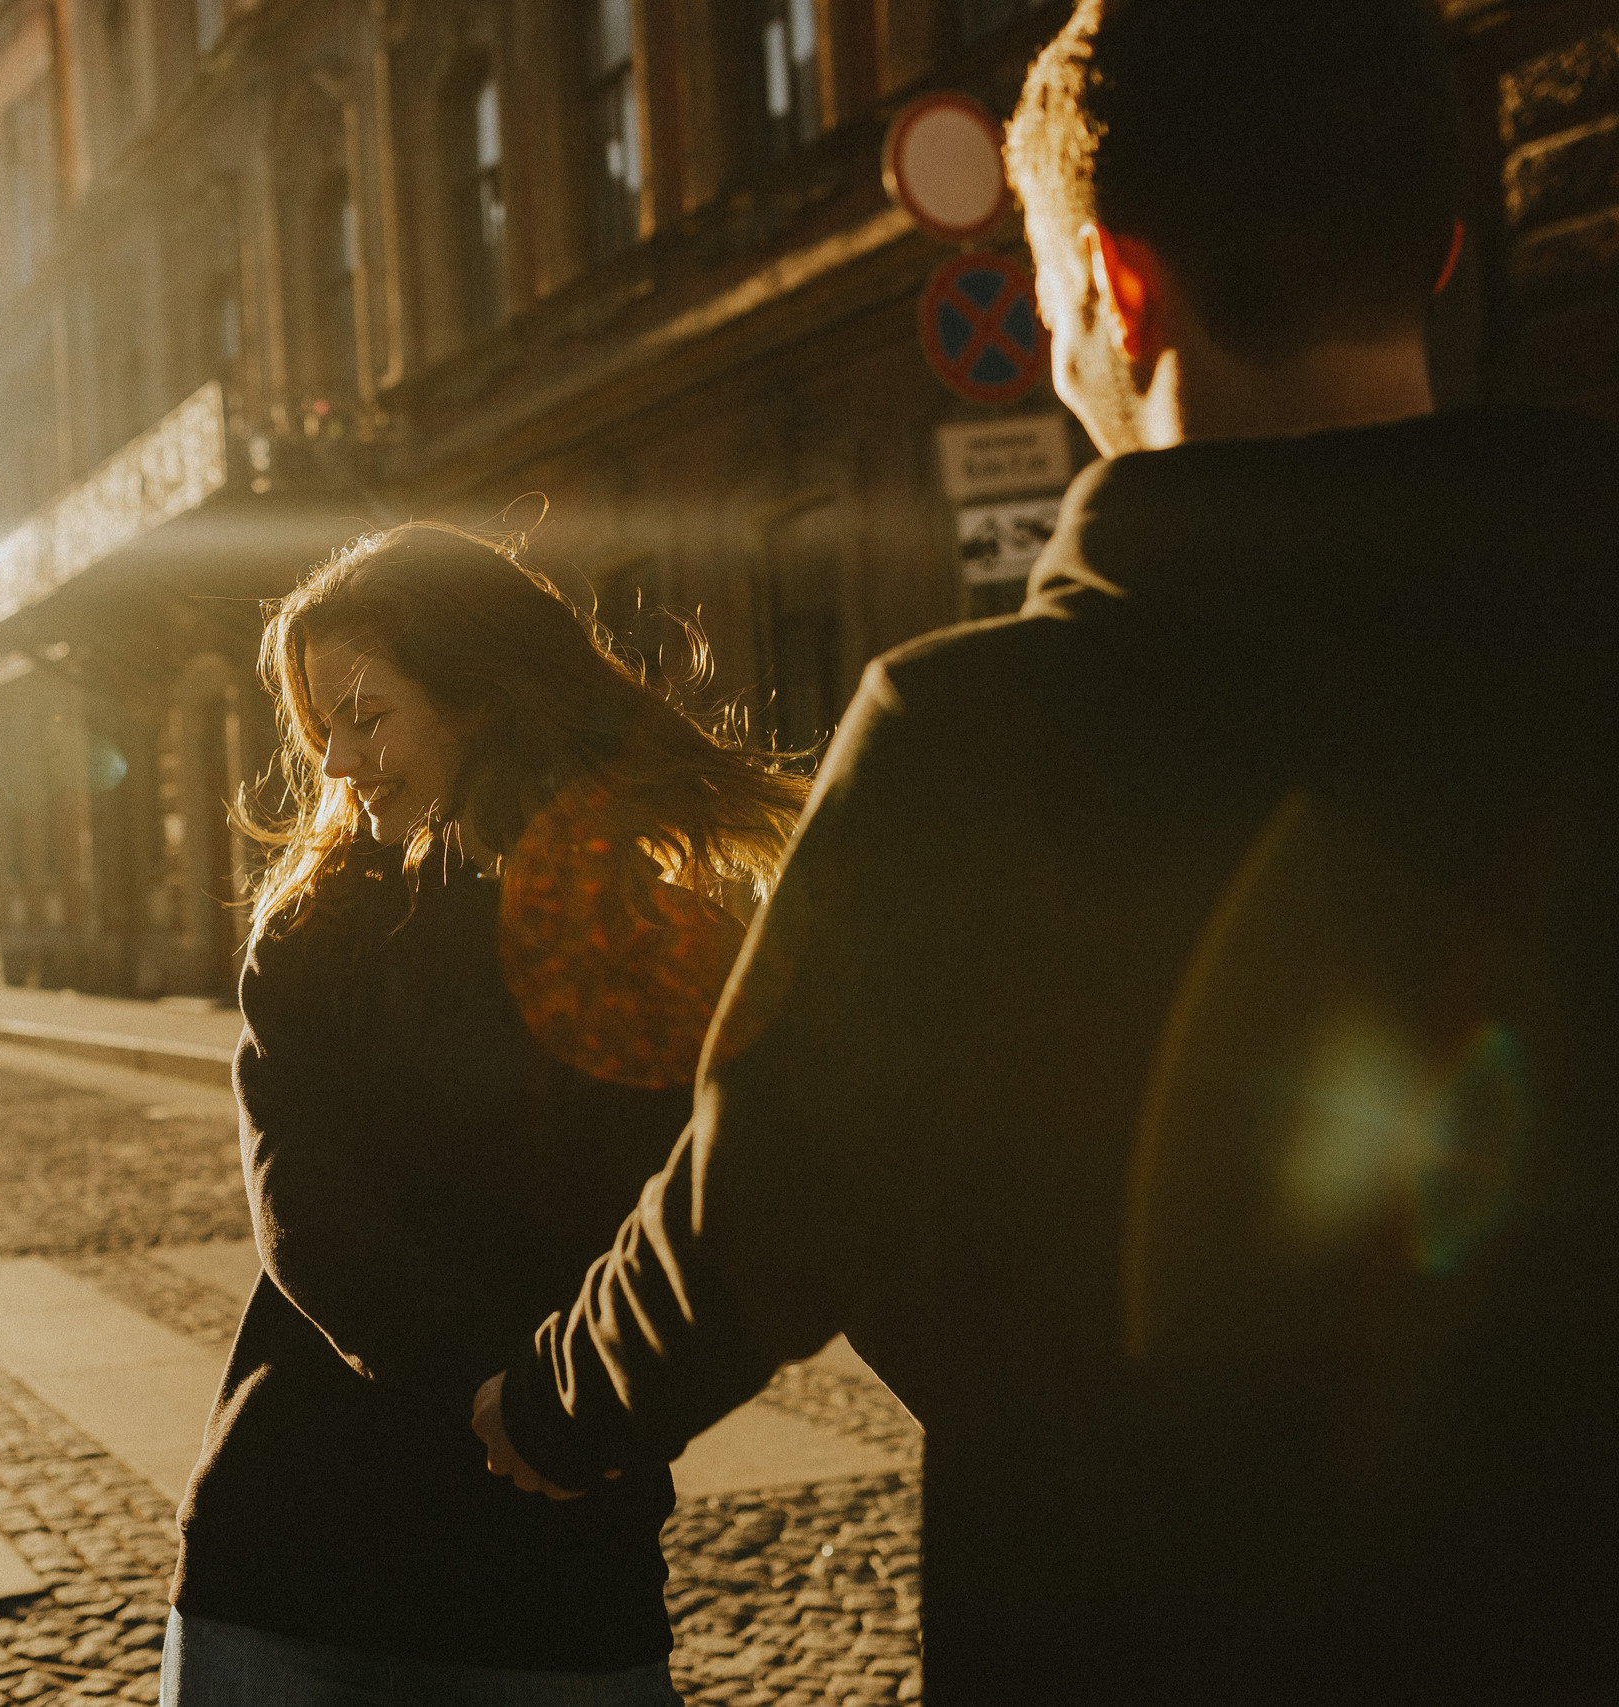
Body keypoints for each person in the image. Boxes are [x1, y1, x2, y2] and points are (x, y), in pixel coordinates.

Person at [471, 1, 1619, 1700]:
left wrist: (553, 1408)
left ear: (1112, 290)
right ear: (1442, 252)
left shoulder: (975, 734)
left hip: (1141, 1619)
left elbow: (766, 1203)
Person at [164, 523, 808, 1705]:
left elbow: (730, 1211)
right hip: (306, 1556)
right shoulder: (319, 937)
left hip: (561, 1567)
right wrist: (515, 1404)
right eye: (324, 730)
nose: (342, 763)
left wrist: (585, 1414)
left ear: (480, 701)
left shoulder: (665, 938)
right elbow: (306, 1220)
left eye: (368, 715)